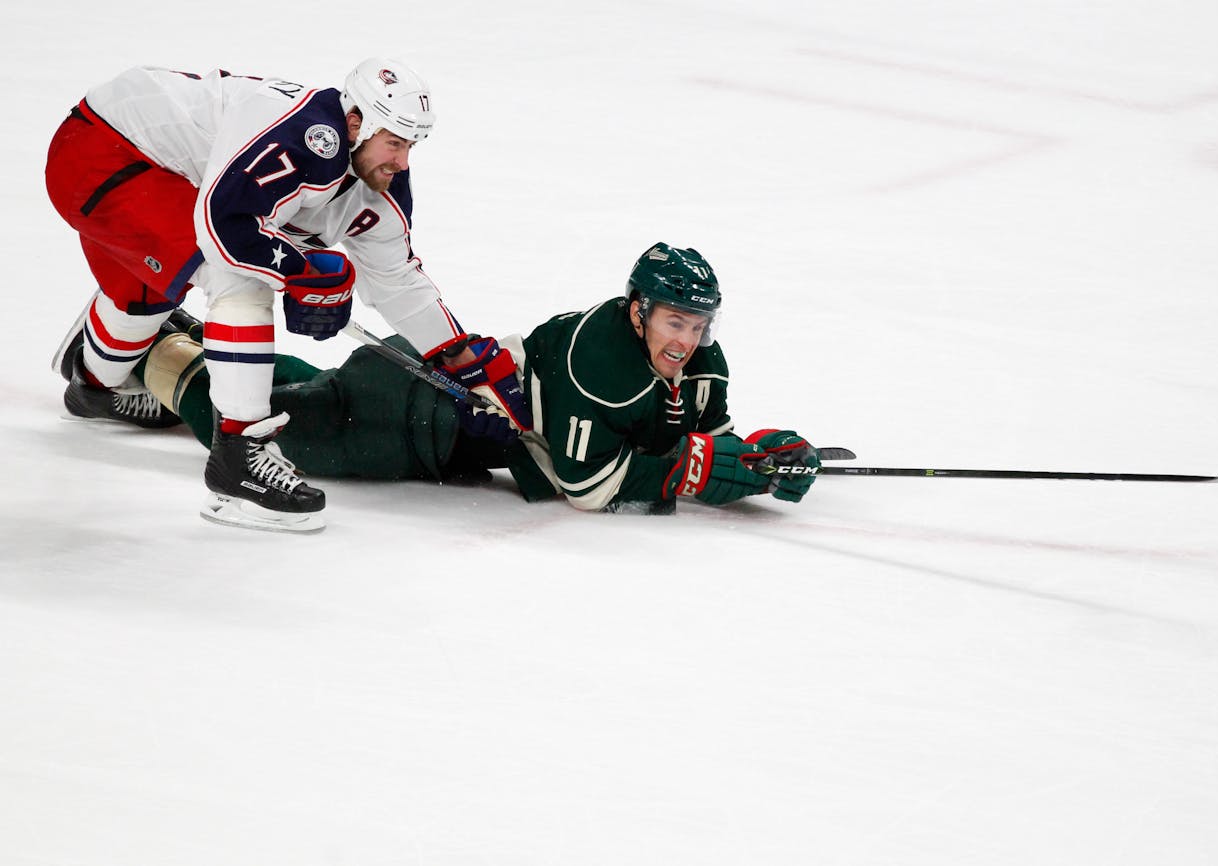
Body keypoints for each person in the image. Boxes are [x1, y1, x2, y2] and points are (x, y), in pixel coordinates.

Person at [45, 59, 530, 532]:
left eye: (411, 147)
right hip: (106, 152)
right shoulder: (306, 138)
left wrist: (463, 358)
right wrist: (302, 272)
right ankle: (239, 460)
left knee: (144, 296)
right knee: (240, 282)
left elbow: (396, 278)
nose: (402, 162)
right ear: (356, 123)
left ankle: (93, 386)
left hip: (147, 161)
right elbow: (225, 225)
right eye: (395, 143)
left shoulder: (375, 179)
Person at [136, 243, 820, 522]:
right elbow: (588, 486)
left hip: (428, 414)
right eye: (675, 321)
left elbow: (701, 438)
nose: (688, 340)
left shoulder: (700, 360)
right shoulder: (599, 356)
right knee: (272, 426)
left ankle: (184, 332)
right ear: (639, 310)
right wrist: (694, 473)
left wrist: (761, 458)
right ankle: (154, 354)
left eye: (700, 325)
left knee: (311, 387)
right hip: (412, 416)